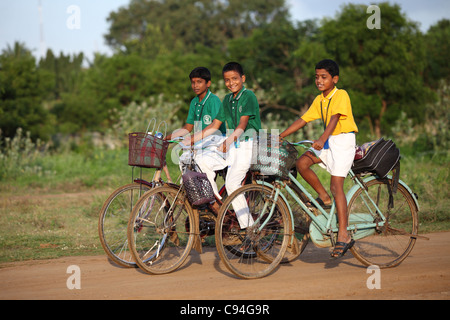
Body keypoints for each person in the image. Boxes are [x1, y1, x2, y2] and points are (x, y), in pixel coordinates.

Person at [279, 59, 358, 258]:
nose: (319, 81)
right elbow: (303, 119)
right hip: (329, 141)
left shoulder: (340, 94)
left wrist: (322, 139)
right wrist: (281, 136)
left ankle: (344, 234)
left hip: (343, 141)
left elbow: (335, 119)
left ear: (335, 79)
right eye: (316, 77)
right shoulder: (319, 99)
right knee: (302, 163)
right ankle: (324, 199)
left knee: (336, 185)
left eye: (324, 77)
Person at [185, 62, 261, 230]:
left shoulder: (249, 96)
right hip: (233, 144)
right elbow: (214, 125)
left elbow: (242, 125)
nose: (231, 83)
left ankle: (249, 228)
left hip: (248, 144)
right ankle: (216, 203)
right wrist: (192, 139)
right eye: (227, 80)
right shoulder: (227, 99)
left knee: (233, 183)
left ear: (243, 79)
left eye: (234, 79)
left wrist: (228, 141)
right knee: (201, 159)